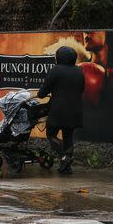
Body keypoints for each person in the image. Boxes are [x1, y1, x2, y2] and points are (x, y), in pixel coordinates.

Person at [37, 46, 85, 174]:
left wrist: (41, 94)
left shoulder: (55, 70)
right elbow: (81, 89)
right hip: (75, 110)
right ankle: (66, 167)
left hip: (59, 110)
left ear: (59, 57)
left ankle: (64, 156)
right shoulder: (79, 70)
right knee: (68, 136)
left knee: (51, 134)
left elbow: (43, 91)